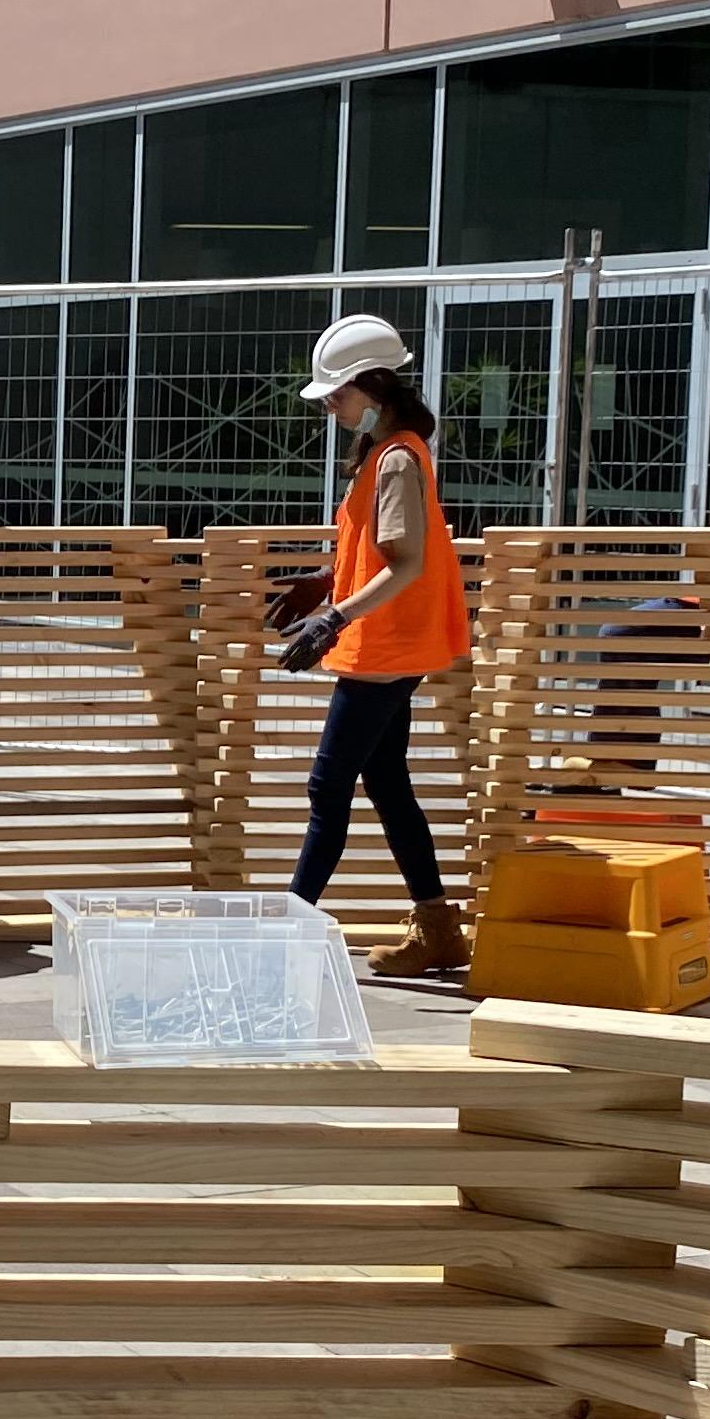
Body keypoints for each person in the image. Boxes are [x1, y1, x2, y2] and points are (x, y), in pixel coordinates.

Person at [279, 315, 472, 979]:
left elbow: (408, 563)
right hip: (394, 643)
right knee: (387, 782)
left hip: (385, 647)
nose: (330, 408)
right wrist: (327, 581)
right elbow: (376, 554)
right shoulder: (390, 451)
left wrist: (333, 617)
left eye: (336, 396)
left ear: (374, 386)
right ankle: (439, 928)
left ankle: (286, 930)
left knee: (327, 786)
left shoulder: (395, 458)